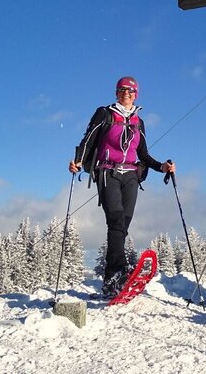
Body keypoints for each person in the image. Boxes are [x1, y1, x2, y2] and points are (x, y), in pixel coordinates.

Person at [69, 76, 176, 297]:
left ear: (136, 94)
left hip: (131, 176)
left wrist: (162, 167)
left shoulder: (139, 121)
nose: (125, 93)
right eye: (121, 90)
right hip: (108, 172)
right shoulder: (105, 113)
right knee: (116, 221)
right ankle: (119, 271)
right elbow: (88, 140)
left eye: (129, 90)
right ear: (116, 93)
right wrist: (78, 161)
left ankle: (111, 280)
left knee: (122, 226)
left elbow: (143, 154)